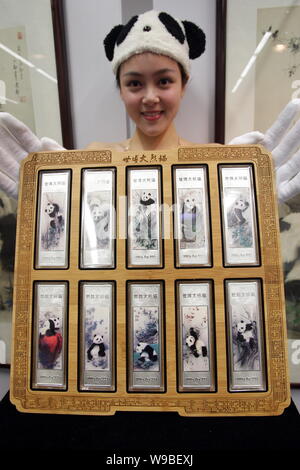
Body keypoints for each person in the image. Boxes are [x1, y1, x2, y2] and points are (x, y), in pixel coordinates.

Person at [0, 9, 300, 204]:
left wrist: (248, 196)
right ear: (120, 89)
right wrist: (52, 195)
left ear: (184, 85)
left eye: (164, 81)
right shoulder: (95, 159)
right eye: (134, 83)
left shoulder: (211, 164)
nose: (150, 97)